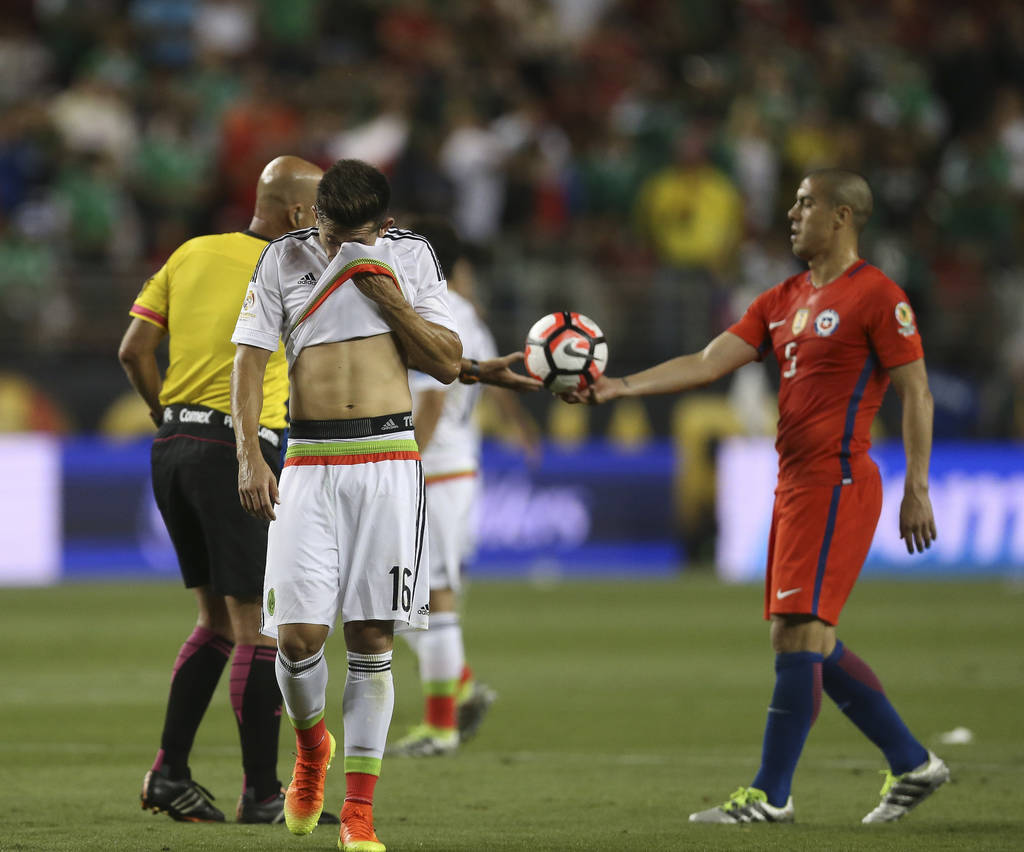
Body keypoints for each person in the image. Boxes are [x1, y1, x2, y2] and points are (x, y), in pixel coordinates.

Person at [564, 169, 949, 825]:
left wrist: (918, 487)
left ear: (843, 216)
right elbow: (707, 361)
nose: (792, 213)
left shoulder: (879, 296)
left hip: (839, 479)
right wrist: (621, 386)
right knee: (802, 636)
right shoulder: (781, 299)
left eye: (806, 203)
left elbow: (917, 392)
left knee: (799, 633)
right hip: (794, 482)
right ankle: (912, 762)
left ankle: (772, 794)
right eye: (793, 202)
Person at [231, 158, 534, 851]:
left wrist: (387, 296)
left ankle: (359, 813)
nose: (337, 248)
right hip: (309, 460)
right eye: (329, 233)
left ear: (383, 226)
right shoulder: (282, 259)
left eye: (354, 238)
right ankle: (312, 748)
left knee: (371, 639)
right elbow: (248, 358)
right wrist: (249, 454)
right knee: (296, 639)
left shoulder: (412, 257)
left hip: (388, 459)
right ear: (315, 217)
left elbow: (446, 362)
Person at [117, 155, 335, 824]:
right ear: (298, 214)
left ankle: (169, 775)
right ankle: (262, 793)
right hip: (240, 451)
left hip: (174, 447)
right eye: (321, 213)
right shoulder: (294, 265)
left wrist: (166, 414)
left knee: (214, 621)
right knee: (257, 628)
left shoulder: (189, 252)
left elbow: (133, 349)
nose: (325, 226)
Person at [387, 216, 540, 757]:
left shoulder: (431, 311)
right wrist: (522, 427)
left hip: (433, 470)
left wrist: (404, 464)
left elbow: (429, 399)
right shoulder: (467, 312)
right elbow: (492, 376)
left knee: (429, 599)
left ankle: (440, 727)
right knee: (396, 603)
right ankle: (464, 689)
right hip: (453, 467)